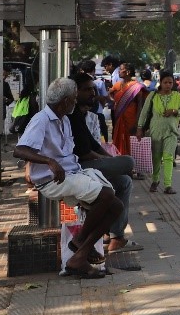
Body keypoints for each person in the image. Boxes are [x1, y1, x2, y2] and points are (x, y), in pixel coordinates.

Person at [15, 77, 123, 277]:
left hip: (72, 173)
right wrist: (49, 161)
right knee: (106, 195)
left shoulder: (65, 119)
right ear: (65, 101)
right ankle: (80, 242)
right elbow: (20, 150)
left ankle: (78, 257)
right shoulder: (42, 120)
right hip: (53, 180)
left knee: (116, 205)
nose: (75, 102)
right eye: (73, 99)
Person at [69, 70, 140, 258]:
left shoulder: (83, 114)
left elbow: (93, 145)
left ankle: (116, 237)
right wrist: (107, 161)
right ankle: (88, 238)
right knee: (129, 162)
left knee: (124, 181)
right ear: (74, 93)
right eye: (87, 90)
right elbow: (84, 153)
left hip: (88, 165)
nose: (92, 93)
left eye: (93, 89)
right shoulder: (70, 114)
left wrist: (108, 158)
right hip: (76, 169)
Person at [138, 70, 180, 195]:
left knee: (169, 157)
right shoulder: (153, 96)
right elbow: (144, 112)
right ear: (160, 82)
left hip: (171, 132)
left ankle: (168, 185)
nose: (168, 85)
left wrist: (174, 111)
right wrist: (139, 128)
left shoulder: (177, 96)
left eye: (170, 82)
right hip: (155, 132)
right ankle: (155, 180)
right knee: (156, 157)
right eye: (165, 82)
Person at [109, 63, 147, 163]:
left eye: (121, 69)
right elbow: (111, 95)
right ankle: (121, 164)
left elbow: (140, 106)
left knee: (132, 143)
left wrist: (138, 124)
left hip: (132, 120)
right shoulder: (117, 85)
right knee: (119, 142)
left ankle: (134, 166)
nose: (118, 71)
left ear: (128, 72)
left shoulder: (136, 87)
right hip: (119, 119)